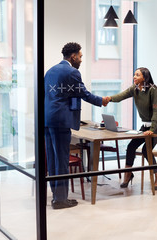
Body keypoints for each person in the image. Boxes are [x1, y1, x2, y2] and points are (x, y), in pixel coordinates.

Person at [44, 42, 109, 209]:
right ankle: (60, 200)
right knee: (62, 160)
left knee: (53, 159)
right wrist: (101, 101)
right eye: (80, 57)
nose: (80, 60)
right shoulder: (72, 72)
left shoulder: (50, 71)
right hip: (60, 121)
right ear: (72, 56)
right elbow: (83, 93)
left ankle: (56, 196)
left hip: (48, 119)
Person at [105, 67, 157, 190]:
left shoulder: (153, 90)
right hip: (145, 125)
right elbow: (121, 95)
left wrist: (152, 129)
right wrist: (109, 99)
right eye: (134, 74)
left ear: (144, 77)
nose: (134, 77)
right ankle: (128, 174)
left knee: (145, 150)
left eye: (137, 75)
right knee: (131, 146)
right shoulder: (135, 89)